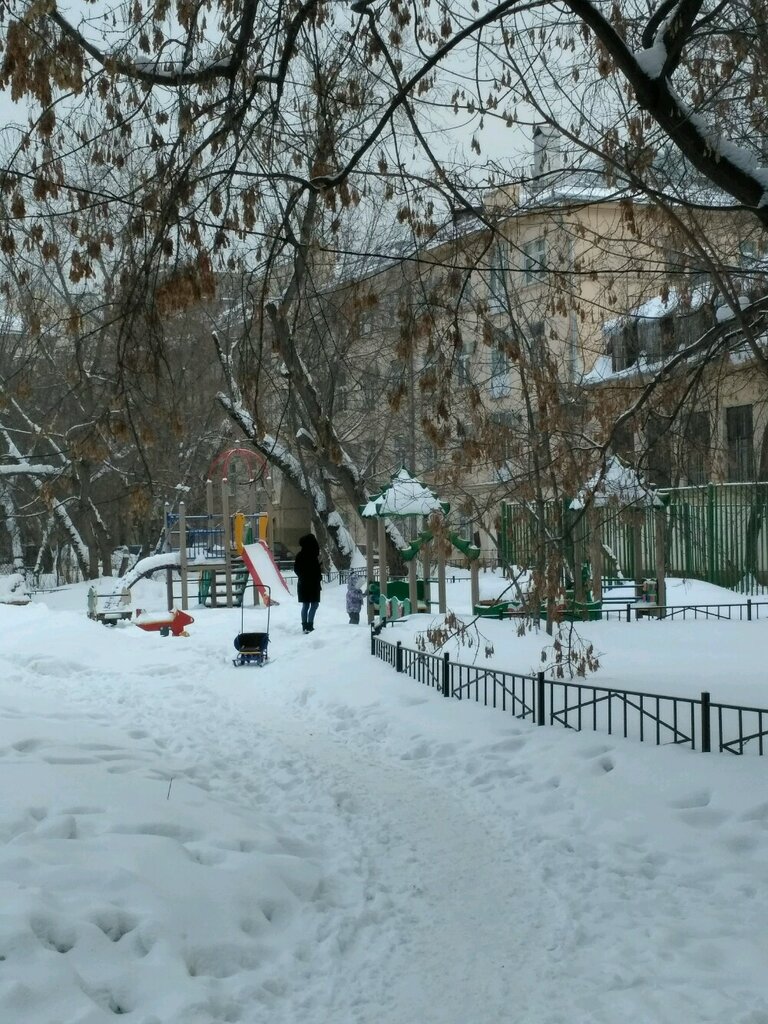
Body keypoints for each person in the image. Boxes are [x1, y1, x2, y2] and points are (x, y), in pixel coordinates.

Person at [293, 533, 322, 633]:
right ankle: (309, 625)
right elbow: (316, 570)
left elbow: (296, 569)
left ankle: (305, 626)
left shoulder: (300, 555)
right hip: (313, 584)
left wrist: (302, 577)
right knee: (314, 605)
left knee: (306, 605)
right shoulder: (313, 556)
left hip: (303, 584)